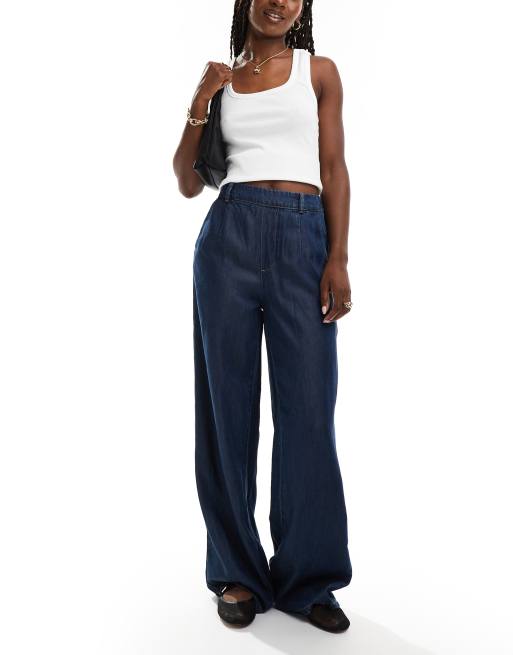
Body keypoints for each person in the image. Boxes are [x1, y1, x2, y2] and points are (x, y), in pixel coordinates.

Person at [172, 0, 353, 633]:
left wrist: (338, 257)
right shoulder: (222, 81)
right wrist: (201, 98)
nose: (279, 2)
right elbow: (187, 182)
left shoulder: (318, 71)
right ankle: (236, 572)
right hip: (229, 240)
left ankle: (309, 577)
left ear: (302, 8)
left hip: (304, 240)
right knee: (227, 412)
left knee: (308, 411)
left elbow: (333, 167)